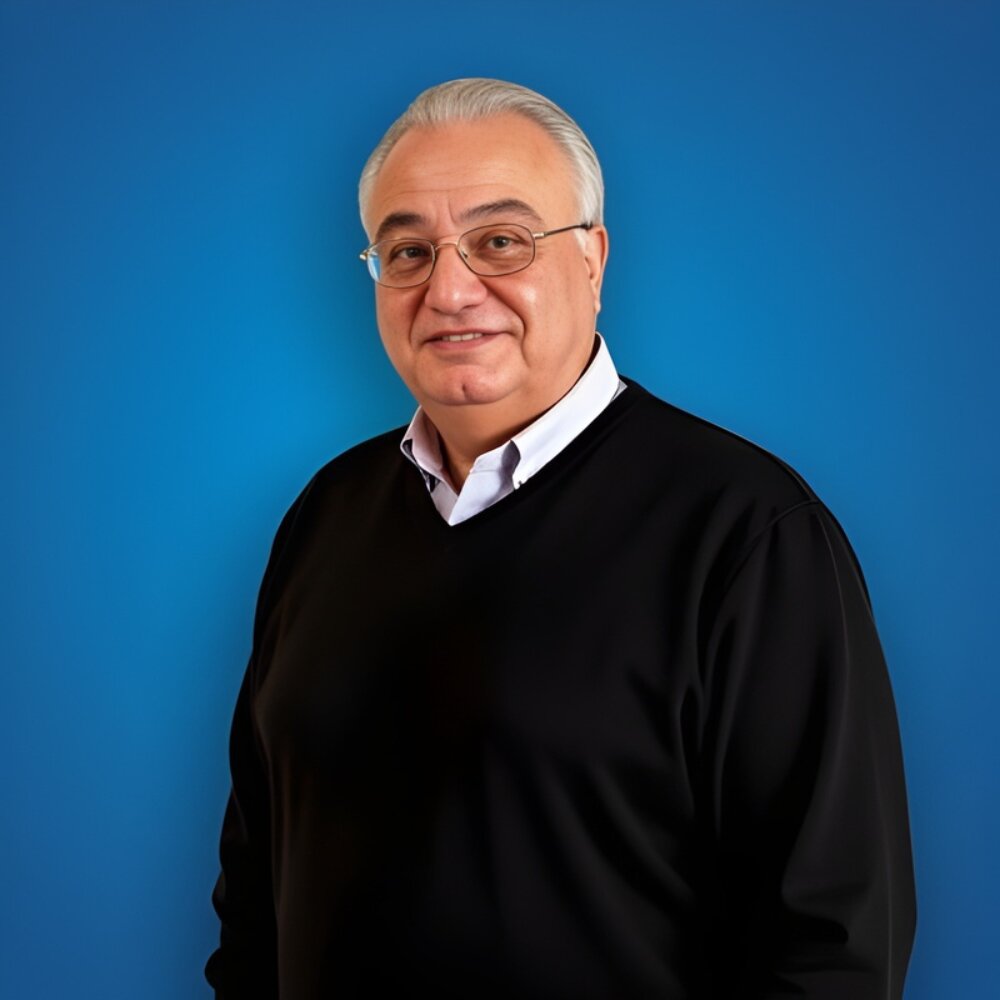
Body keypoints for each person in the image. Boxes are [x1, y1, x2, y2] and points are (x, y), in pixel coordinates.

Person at [205, 78, 916, 999]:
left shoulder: (747, 534)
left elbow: (833, 944)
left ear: (593, 260)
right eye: (408, 250)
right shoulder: (325, 515)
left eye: (501, 241)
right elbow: (255, 885)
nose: (451, 289)